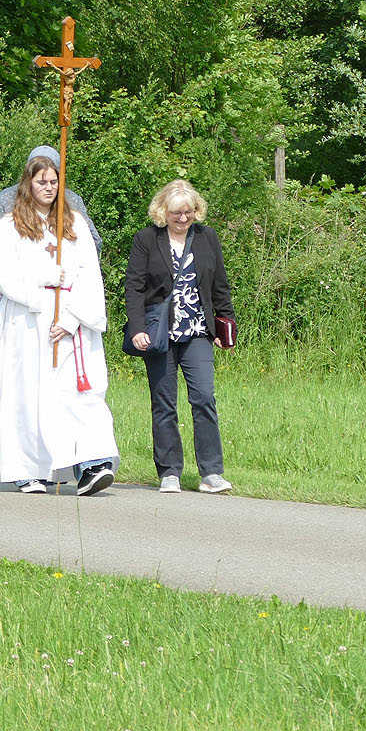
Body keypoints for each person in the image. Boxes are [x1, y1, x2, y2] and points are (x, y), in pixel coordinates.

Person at [0, 148, 118, 495]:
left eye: (53, 181)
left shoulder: (73, 224)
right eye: (41, 181)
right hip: (27, 323)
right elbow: (4, 276)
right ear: (27, 184)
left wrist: (73, 318)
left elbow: (90, 275)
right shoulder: (8, 227)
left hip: (71, 323)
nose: (48, 187)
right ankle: (28, 469)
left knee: (80, 393)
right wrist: (43, 284)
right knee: (27, 395)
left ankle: (93, 463)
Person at [125, 178, 236, 494]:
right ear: (163, 211)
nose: (183, 218)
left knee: (203, 398)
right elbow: (134, 287)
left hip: (198, 331)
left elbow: (220, 285)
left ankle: (211, 473)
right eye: (176, 213)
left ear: (196, 210)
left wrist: (225, 326)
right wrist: (137, 330)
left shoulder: (206, 238)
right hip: (159, 333)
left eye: (188, 212)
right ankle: (170, 472)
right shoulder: (147, 239)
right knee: (164, 403)